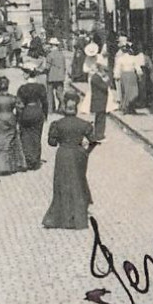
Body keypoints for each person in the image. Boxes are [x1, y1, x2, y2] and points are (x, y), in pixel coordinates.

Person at [42, 93, 96, 230]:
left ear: (65, 107)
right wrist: (86, 152)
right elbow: (94, 141)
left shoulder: (58, 124)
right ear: (76, 108)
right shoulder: (84, 124)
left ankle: (60, 217)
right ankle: (77, 218)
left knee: (61, 183)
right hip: (78, 154)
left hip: (63, 154)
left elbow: (52, 143)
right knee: (77, 183)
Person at [0, 75, 26, 176]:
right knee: (10, 143)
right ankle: (11, 165)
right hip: (10, 118)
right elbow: (20, 109)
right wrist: (17, 118)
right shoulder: (13, 98)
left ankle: (0, 166)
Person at [16, 63, 49, 170]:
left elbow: (19, 104)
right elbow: (45, 102)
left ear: (27, 74)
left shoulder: (23, 88)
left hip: (26, 112)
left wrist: (18, 117)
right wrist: (45, 114)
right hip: (37, 111)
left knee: (25, 135)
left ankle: (27, 159)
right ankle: (36, 160)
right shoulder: (40, 87)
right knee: (37, 136)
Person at [88, 51, 112, 143]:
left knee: (99, 118)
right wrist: (107, 80)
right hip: (99, 100)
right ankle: (99, 135)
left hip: (98, 100)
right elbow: (104, 87)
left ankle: (98, 134)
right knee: (101, 119)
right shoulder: (97, 78)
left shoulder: (95, 77)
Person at [45, 38, 66, 114]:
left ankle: (50, 110)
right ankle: (63, 107)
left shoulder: (50, 55)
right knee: (60, 93)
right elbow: (64, 67)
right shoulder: (62, 55)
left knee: (49, 94)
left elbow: (47, 67)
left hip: (51, 77)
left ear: (52, 45)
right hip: (60, 77)